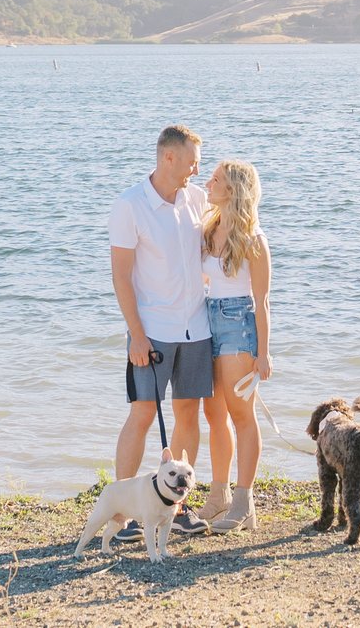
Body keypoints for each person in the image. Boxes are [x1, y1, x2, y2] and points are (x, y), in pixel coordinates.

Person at [108, 123, 212, 537]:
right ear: (169, 157)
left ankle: (177, 508)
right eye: (192, 161)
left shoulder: (198, 199)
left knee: (189, 413)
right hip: (152, 331)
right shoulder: (130, 205)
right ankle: (121, 515)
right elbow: (121, 276)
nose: (196, 169)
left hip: (197, 328)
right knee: (143, 414)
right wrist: (136, 333)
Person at [195, 158, 273, 533]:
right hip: (206, 321)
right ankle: (219, 495)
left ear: (234, 189)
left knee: (241, 415)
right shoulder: (209, 229)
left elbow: (262, 301)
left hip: (239, 325)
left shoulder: (254, 238)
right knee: (213, 415)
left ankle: (244, 502)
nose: (208, 184)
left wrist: (264, 353)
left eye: (215, 179)